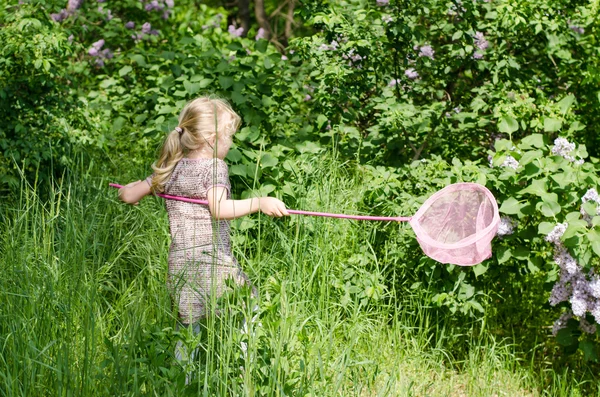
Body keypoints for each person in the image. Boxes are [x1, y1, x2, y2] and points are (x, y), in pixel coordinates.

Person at [117, 96, 288, 377]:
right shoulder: (213, 167)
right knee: (249, 308)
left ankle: (182, 382)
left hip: (182, 264)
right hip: (212, 261)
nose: (231, 144)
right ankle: (248, 374)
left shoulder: (172, 166)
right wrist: (259, 203)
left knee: (187, 325)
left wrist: (131, 189)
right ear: (211, 138)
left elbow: (128, 195)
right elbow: (219, 208)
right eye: (229, 137)